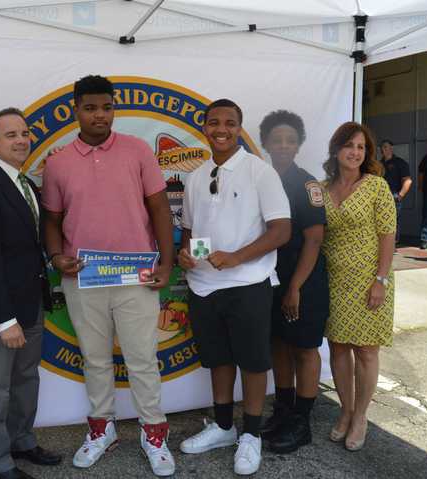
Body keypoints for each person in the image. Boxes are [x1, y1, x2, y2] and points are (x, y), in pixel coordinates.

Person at [41, 75, 176, 476]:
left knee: (142, 359)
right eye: (90, 107)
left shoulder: (136, 151)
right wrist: (54, 255)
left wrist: (165, 263)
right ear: (75, 111)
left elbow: (160, 211)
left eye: (106, 107)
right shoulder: (59, 162)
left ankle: (154, 432)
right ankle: (103, 429)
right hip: (84, 278)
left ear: (114, 108)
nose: (100, 115)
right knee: (95, 360)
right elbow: (51, 219)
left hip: (136, 276)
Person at [177, 99, 291, 475]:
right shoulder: (195, 176)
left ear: (239, 128)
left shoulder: (260, 172)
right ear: (204, 128)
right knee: (219, 359)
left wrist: (238, 257)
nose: (220, 128)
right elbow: (193, 232)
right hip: (204, 285)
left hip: (248, 283)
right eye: (213, 122)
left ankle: (252, 434)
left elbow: (281, 230)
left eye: (229, 122)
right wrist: (186, 254)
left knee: (254, 362)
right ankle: (225, 427)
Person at [0, 108, 61, 479]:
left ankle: (22, 441)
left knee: (26, 381)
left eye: (24, 133)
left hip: (31, 304)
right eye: (10, 135)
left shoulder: (26, 184)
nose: (21, 140)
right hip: (1, 313)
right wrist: (4, 320)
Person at [322, 122, 396, 452]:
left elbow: (387, 235)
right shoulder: (322, 189)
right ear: (336, 149)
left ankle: (362, 416)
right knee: (338, 347)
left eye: (362, 147)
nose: (355, 152)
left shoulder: (377, 186)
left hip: (370, 280)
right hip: (334, 281)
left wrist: (380, 279)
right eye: (350, 145)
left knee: (365, 350)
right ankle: (346, 411)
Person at [257, 110, 328, 454]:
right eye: (277, 139)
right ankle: (283, 411)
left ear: (299, 145)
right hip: (268, 278)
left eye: (290, 140)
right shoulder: (260, 178)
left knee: (303, 347)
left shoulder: (307, 184)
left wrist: (295, 287)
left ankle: (302, 422)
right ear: (266, 143)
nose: (283, 145)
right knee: (278, 344)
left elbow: (314, 239)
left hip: (304, 280)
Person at [379, 140, 412, 245]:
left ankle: (393, 243)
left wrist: (400, 195)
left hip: (394, 196)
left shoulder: (400, 163)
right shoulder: (378, 164)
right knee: (380, 220)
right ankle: (383, 243)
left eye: (385, 147)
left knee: (393, 221)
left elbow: (407, 180)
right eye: (381, 147)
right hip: (379, 197)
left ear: (391, 148)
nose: (383, 149)